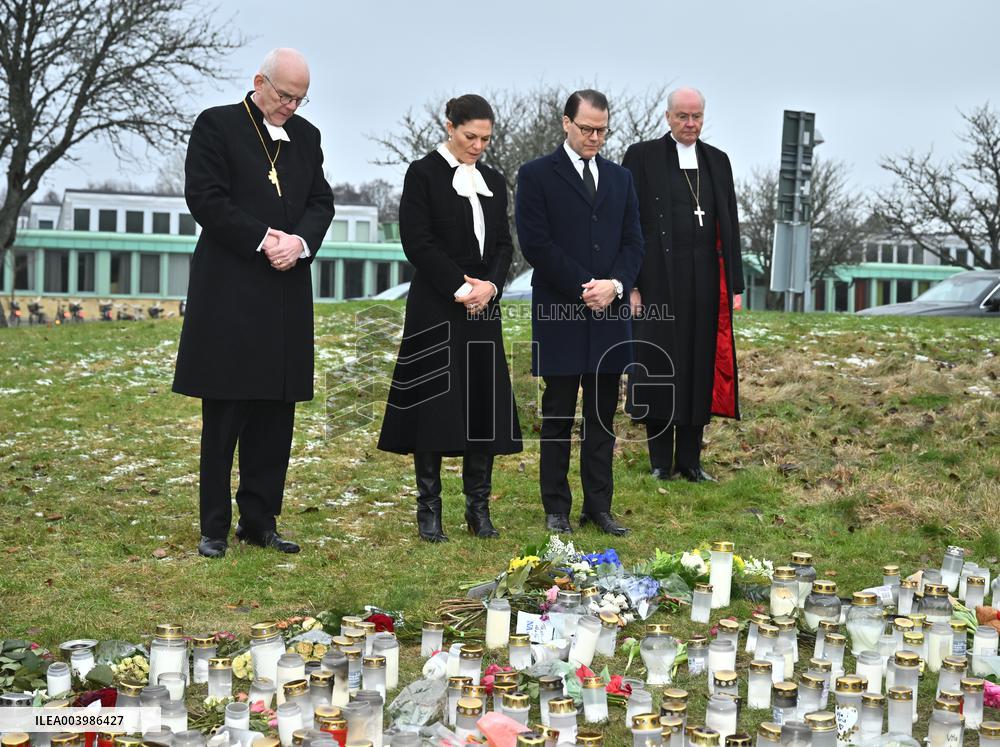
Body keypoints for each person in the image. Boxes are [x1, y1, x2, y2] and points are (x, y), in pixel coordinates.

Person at [173, 48, 335, 558]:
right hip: (230, 292)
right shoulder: (217, 126)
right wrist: (265, 238)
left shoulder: (307, 137)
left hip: (285, 294)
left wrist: (300, 242)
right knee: (225, 415)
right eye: (285, 95)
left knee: (275, 413)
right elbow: (205, 198)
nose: (291, 106)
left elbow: (320, 201)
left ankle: (260, 521)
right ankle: (215, 527)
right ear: (258, 82)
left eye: (300, 98)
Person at [377, 94, 522, 542]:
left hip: (483, 308)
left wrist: (490, 288)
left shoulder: (495, 182)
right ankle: (429, 511)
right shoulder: (422, 174)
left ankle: (479, 510)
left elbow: (503, 245)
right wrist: (461, 289)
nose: (478, 145)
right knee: (434, 407)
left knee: (481, 405)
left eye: (486, 138)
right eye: (470, 136)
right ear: (449, 127)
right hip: (436, 306)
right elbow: (417, 242)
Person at [515, 89, 644, 536]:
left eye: (602, 131)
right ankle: (556, 507)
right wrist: (583, 286)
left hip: (610, 313)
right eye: (587, 128)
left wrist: (616, 285)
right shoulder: (535, 175)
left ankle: (599, 506)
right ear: (566, 123)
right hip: (560, 312)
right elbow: (535, 242)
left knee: (602, 415)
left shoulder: (621, 178)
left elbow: (634, 243)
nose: (594, 137)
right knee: (557, 413)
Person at [622, 87, 743, 482]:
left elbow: (731, 225)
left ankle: (690, 460)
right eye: (682, 117)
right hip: (658, 280)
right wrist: (632, 284)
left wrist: (735, 285)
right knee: (661, 363)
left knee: (698, 365)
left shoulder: (718, 161)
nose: (690, 124)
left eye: (696, 117)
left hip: (706, 280)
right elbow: (629, 223)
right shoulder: (641, 157)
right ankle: (660, 460)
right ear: (668, 117)